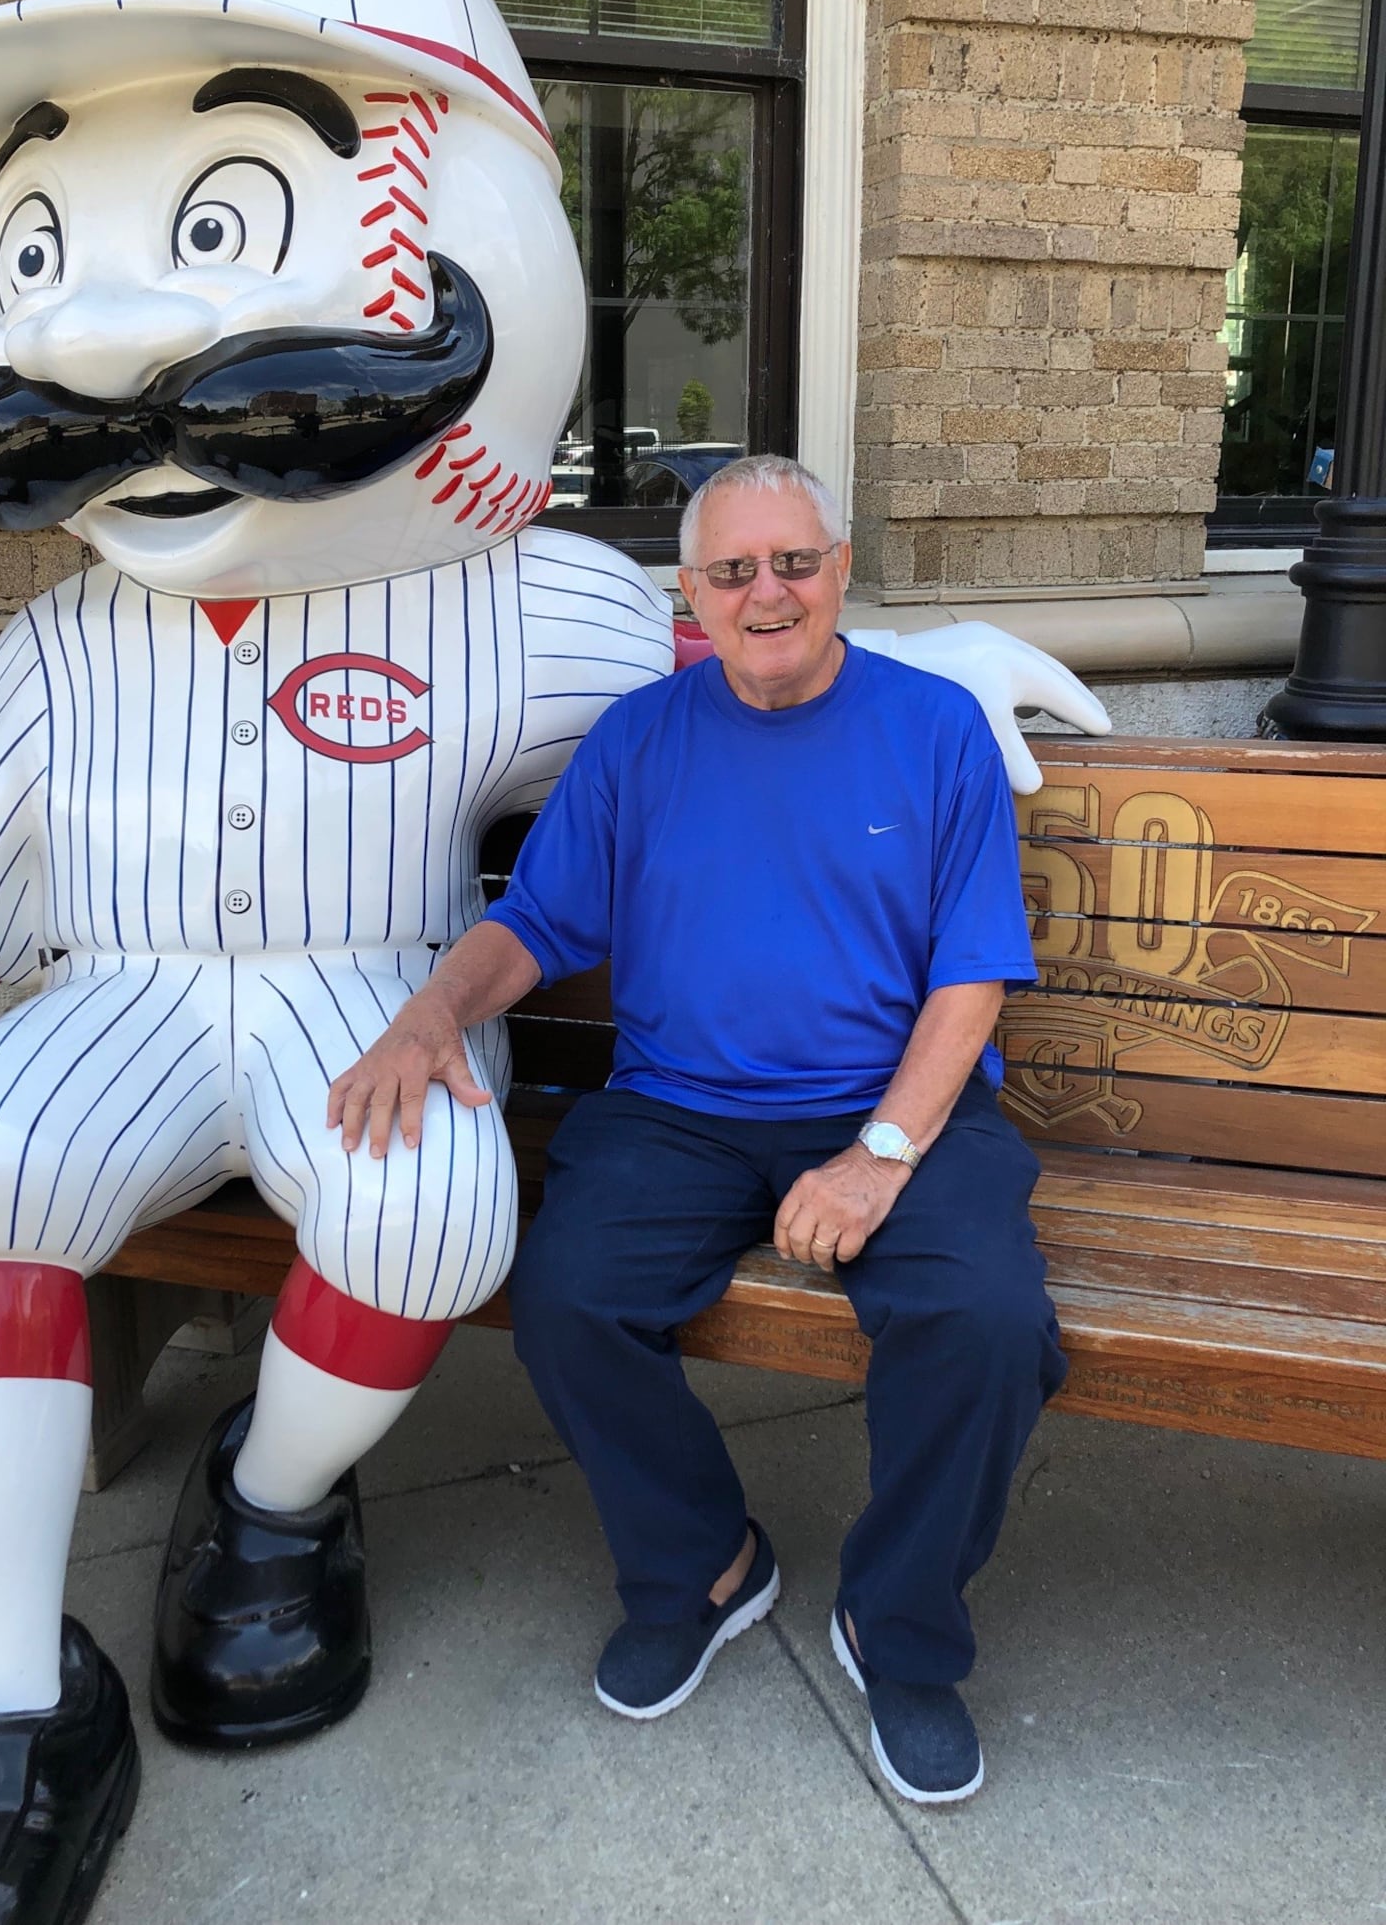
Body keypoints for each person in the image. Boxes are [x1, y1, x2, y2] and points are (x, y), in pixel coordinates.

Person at [327, 453, 1069, 1806]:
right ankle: (705, 1563)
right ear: (696, 593)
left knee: (985, 1322)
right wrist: (435, 1009)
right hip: (679, 1108)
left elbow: (973, 972)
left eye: (794, 562)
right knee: (567, 1295)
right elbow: (536, 921)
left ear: (841, 569)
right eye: (734, 570)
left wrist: (881, 1154)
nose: (767, 591)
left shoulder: (935, 728)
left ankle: (898, 1631)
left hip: (895, 1103)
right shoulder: (640, 740)